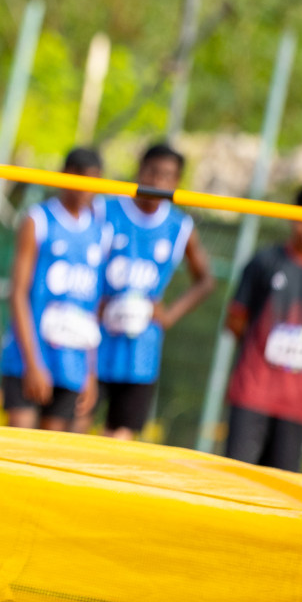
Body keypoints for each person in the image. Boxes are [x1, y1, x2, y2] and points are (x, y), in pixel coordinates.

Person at [83, 143, 214, 439]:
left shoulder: (178, 226)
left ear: (177, 182)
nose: (158, 182)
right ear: (139, 171)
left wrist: (168, 315)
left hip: (141, 348)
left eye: (167, 176)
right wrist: (93, 301)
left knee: (121, 434)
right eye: (152, 172)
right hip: (95, 339)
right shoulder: (106, 209)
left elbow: (205, 280)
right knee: (77, 421)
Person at [0, 147, 109, 431]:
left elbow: (94, 307)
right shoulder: (39, 220)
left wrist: (90, 372)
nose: (88, 189)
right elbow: (19, 293)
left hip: (72, 361)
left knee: (53, 452)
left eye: (95, 180)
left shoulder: (100, 231)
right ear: (66, 176)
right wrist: (33, 363)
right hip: (30, 355)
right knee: (18, 448)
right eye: (82, 178)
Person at [223, 187, 302, 471]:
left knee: (280, 489)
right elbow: (235, 318)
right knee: (237, 478)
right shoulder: (265, 262)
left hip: (296, 403)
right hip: (253, 392)